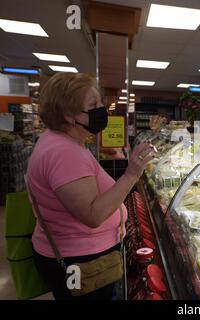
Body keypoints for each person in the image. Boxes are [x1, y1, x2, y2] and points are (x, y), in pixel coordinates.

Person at [27, 72, 155, 299]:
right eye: (93, 104)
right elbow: (93, 215)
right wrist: (132, 174)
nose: (102, 110)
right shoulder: (64, 152)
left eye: (101, 103)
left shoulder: (62, 141)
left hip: (76, 253)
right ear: (68, 115)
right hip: (83, 261)